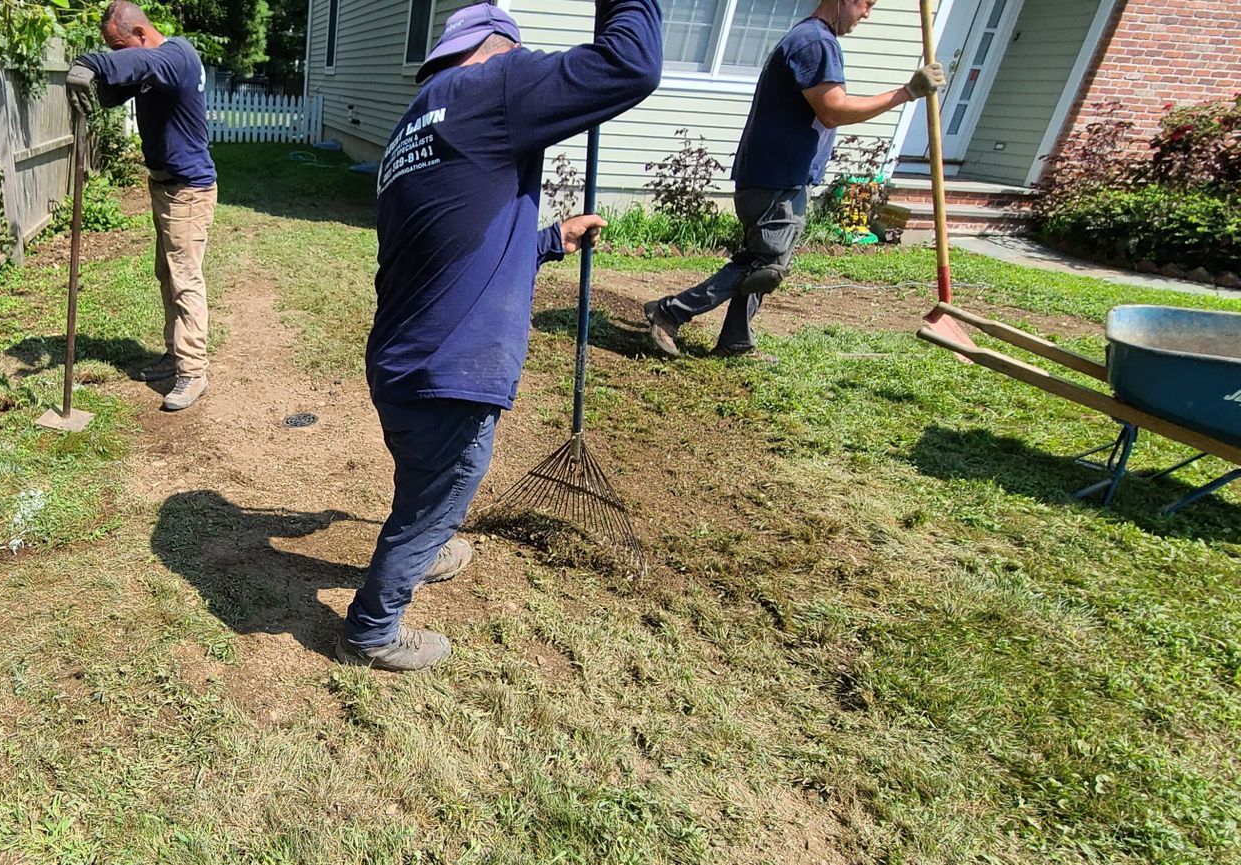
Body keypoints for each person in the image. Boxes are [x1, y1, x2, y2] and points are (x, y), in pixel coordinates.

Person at [341, 1, 662, 672]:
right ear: (499, 48)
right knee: (442, 489)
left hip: (402, 358)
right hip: (447, 367)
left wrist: (548, 239)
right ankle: (372, 629)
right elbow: (630, 65)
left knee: (425, 475)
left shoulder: (417, 122)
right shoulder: (493, 85)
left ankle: (427, 550)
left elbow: (452, 234)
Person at [644, 0, 944, 359]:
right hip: (776, 178)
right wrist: (907, 93)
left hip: (782, 176)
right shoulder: (816, 43)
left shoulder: (812, 38)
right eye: (866, 3)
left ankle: (736, 341)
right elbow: (832, 110)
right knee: (764, 266)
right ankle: (671, 312)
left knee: (764, 263)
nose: (867, 14)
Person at [66, 2, 217, 411]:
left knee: (185, 280)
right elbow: (124, 83)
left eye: (118, 46)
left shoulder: (175, 56)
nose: (116, 54)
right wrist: (105, 86)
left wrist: (89, 64)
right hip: (165, 187)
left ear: (139, 34)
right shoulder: (155, 69)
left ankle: (193, 371)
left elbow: (138, 64)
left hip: (187, 192)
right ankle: (175, 355)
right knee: (167, 275)